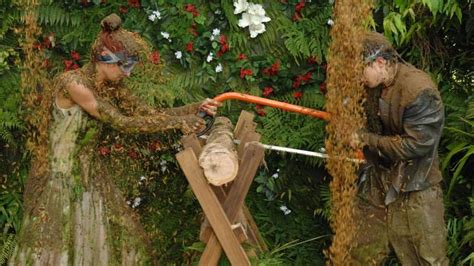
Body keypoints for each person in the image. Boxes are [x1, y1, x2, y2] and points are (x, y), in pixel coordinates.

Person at [11, 13, 220, 265]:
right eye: (126, 66)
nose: (128, 74)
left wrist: (194, 108)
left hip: (90, 177)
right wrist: (179, 123)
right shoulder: (74, 84)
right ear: (106, 60)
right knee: (58, 248)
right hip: (60, 181)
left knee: (109, 244)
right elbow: (123, 122)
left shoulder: (111, 87)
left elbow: (149, 114)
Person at [350, 31, 448, 265]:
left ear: (380, 63)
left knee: (426, 259)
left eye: (359, 69)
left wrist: (365, 139)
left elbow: (416, 145)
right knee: (360, 253)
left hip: (415, 186)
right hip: (379, 180)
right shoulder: (375, 84)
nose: (356, 76)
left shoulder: (419, 91)